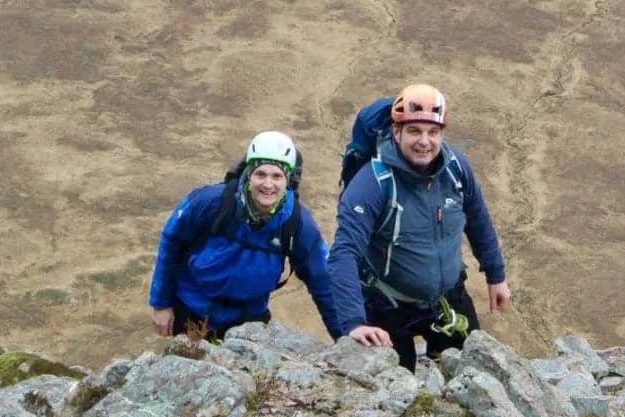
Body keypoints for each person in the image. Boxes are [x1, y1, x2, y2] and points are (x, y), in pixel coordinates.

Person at [328, 83, 511, 370]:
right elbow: (343, 253)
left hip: (447, 300)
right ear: (396, 132)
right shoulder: (372, 183)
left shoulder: (456, 169)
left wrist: (496, 275)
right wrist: (354, 323)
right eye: (414, 131)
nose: (424, 141)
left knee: (474, 374)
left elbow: (477, 217)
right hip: (386, 306)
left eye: (433, 132)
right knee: (394, 395)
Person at [148, 130, 343, 341]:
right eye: (261, 174)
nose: (268, 185)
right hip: (190, 311)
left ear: (288, 180)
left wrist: (344, 339)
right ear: (249, 174)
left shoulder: (297, 224)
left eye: (277, 176)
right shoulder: (211, 202)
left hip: (248, 321)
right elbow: (171, 243)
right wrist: (161, 304)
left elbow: (323, 282)